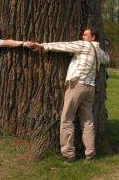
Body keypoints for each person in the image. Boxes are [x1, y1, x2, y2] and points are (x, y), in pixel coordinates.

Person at [31, 27, 110, 161]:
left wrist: (43, 46)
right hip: (90, 89)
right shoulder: (100, 52)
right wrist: (107, 47)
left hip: (77, 86)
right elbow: (107, 59)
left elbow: (64, 46)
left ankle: (68, 154)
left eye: (86, 34)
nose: (83, 36)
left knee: (67, 119)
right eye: (83, 35)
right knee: (87, 121)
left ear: (93, 37)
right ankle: (90, 153)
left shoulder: (83, 45)